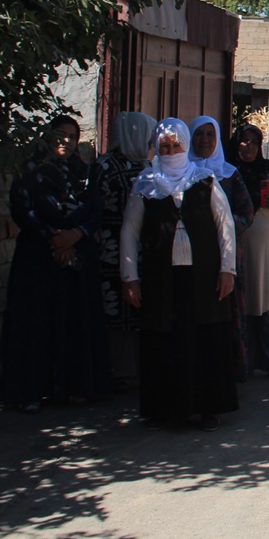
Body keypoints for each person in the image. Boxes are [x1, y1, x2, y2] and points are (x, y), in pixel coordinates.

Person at [120, 118, 238, 431]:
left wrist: (228, 269)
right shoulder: (146, 183)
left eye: (176, 146)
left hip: (203, 278)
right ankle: (167, 409)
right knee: (166, 340)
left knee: (205, 340)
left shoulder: (204, 179)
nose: (171, 151)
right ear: (156, 149)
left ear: (185, 147)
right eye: (165, 147)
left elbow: (225, 226)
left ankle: (208, 408)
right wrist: (129, 277)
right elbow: (130, 232)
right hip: (163, 279)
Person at [0, 115, 110, 412]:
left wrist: (75, 235)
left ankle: (74, 387)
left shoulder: (85, 173)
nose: (66, 142)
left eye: (72, 136)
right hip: (37, 259)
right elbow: (23, 209)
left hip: (77, 258)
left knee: (74, 320)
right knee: (36, 323)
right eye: (60, 135)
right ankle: (31, 390)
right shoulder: (31, 173)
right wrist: (54, 238)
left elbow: (95, 211)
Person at [189, 115, 254, 379]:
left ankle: (228, 369)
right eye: (199, 134)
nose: (204, 140)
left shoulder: (229, 174)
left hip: (225, 255)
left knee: (225, 309)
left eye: (210, 135)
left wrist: (222, 230)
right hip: (190, 256)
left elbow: (246, 212)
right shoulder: (181, 173)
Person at [94, 111, 156, 384]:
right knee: (114, 308)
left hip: (144, 251)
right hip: (109, 250)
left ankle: (137, 369)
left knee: (139, 309)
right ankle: (114, 370)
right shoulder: (104, 166)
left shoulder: (149, 168)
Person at [230, 122, 269, 380]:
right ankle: (243, 364)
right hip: (238, 248)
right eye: (243, 141)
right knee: (243, 304)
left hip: (268, 248)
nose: (248, 147)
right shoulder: (227, 171)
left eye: (254, 142)